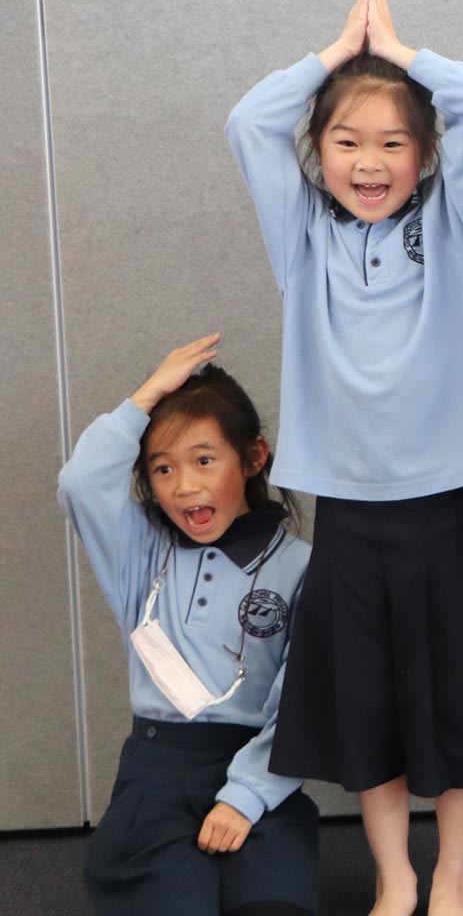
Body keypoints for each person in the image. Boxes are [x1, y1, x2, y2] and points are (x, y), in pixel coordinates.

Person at [226, 0, 463, 915]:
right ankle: (397, 876)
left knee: (462, 694)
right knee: (369, 702)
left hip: (448, 501)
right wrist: (333, 53)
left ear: (426, 154)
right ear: (315, 152)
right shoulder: (302, 236)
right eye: (346, 141)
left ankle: (455, 874)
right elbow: (248, 122)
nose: (370, 162)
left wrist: (396, 51)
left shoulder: (452, 222)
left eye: (394, 143)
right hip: (348, 509)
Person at [58, 334, 317, 916]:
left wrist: (247, 796)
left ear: (253, 458)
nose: (184, 485)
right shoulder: (145, 553)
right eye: (163, 468)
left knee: (272, 902)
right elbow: (80, 484)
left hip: (263, 768)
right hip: (156, 774)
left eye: (204, 460)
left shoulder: (303, 566)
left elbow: (307, 696)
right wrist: (146, 396)